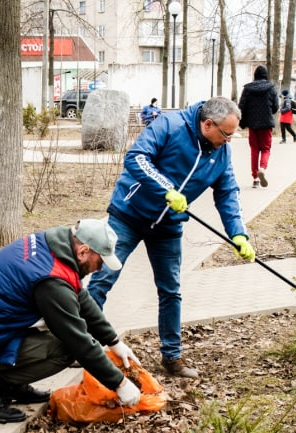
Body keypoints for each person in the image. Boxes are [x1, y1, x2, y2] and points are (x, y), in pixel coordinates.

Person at [86, 97, 255, 379]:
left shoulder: (221, 152)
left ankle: (172, 357)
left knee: (170, 290)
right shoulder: (171, 125)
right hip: (129, 214)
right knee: (103, 279)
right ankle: (83, 347)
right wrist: (166, 188)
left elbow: (227, 193)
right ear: (208, 124)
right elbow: (137, 157)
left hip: (169, 226)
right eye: (226, 134)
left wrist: (238, 234)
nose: (228, 140)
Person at [0, 219, 143, 424]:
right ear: (83, 251)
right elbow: (78, 341)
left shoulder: (52, 244)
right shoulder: (52, 281)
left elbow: (80, 297)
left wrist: (113, 341)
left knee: (56, 338)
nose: (100, 269)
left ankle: (16, 384)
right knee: (65, 350)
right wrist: (119, 384)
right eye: (100, 262)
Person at [238, 65, 279, 188]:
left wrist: (243, 121)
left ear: (255, 75)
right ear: (265, 75)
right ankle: (262, 168)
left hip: (252, 124)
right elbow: (276, 107)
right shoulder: (271, 88)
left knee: (254, 150)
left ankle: (255, 178)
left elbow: (241, 106)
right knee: (266, 149)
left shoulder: (248, 89)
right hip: (266, 124)